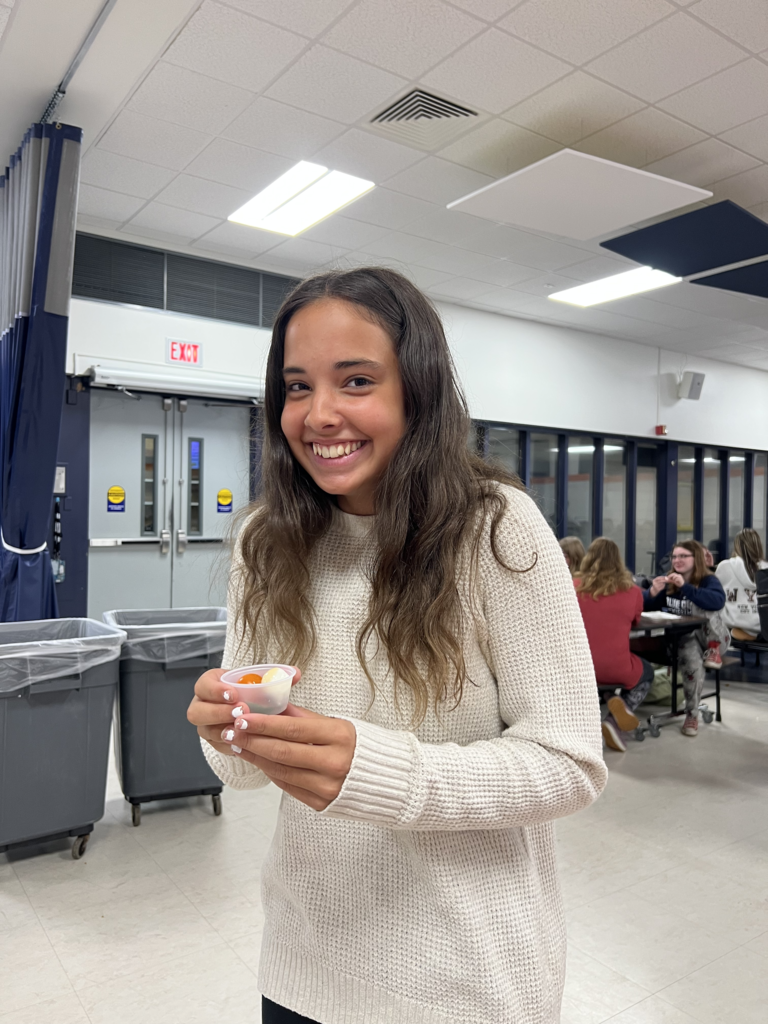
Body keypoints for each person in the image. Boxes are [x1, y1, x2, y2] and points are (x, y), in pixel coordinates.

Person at [187, 268, 606, 1024]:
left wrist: (375, 770)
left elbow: (570, 763)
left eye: (355, 381)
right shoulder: (265, 541)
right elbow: (236, 773)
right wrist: (230, 728)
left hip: (464, 985)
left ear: (419, 390)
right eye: (296, 386)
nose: (318, 414)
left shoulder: (496, 530)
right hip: (303, 968)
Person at [575, 537, 655, 753]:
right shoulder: (633, 591)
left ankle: (605, 705)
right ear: (619, 561)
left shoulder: (572, 586)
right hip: (616, 668)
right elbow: (636, 620)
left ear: (588, 559)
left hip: (578, 669)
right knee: (646, 672)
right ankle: (615, 717)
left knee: (596, 671)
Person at [644, 540, 728, 737]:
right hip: (685, 639)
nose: (677, 560)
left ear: (695, 558)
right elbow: (648, 609)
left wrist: (687, 588)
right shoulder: (670, 582)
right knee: (693, 662)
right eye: (674, 557)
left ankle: (713, 649)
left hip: (714, 639)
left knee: (703, 606)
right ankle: (692, 714)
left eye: (683, 556)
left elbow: (717, 602)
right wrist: (652, 593)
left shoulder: (709, 580)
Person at [715, 528, 768, 640]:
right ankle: (756, 637)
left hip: (734, 624)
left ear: (736, 546)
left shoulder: (725, 566)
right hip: (762, 627)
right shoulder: (766, 569)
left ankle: (748, 635)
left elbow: (715, 598)